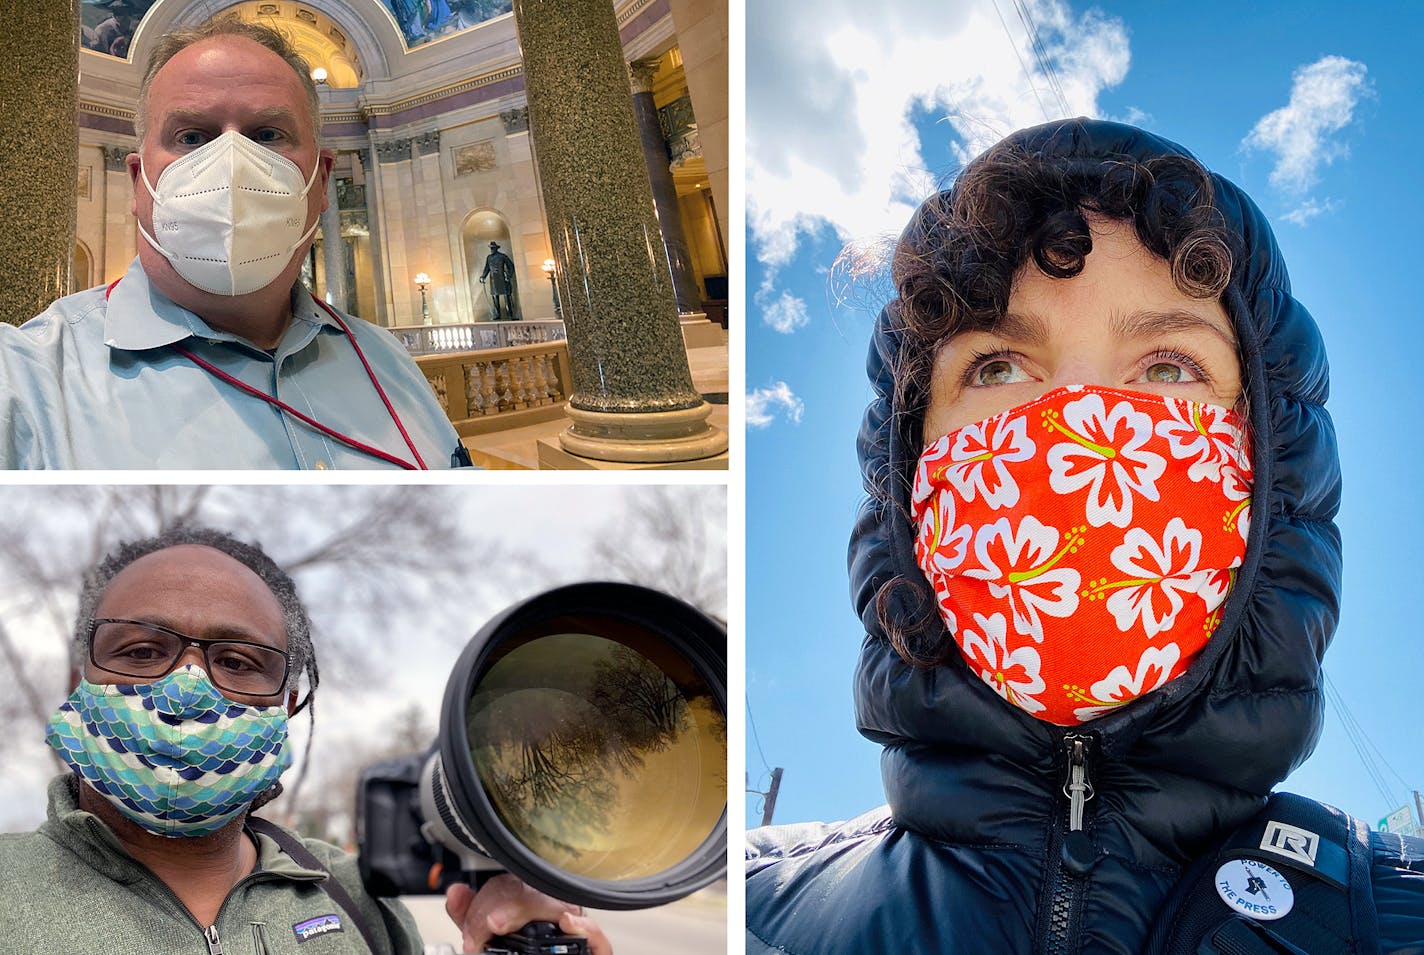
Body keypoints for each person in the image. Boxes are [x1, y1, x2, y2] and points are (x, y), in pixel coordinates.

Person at [745, 119, 1424, 952]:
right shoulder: (743, 906)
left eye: (1170, 367)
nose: (1078, 426)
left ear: (1272, 462)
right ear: (908, 472)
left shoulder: (1399, 912)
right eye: (997, 367)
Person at [0, 526, 611, 955]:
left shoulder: (355, 898)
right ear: (85, 675)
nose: (186, 688)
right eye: (140, 650)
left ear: (286, 704)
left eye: (237, 661)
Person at [0, 17, 469, 469]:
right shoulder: (29, 383)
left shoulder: (389, 362)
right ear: (139, 184)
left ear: (322, 182)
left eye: (268, 135)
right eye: (190, 137)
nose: (231, 164)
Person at [479, 242, 519, 321]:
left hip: (502, 278)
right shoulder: (489, 258)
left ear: (496, 248)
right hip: (494, 279)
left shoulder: (502, 256)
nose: (492, 249)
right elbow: (487, 268)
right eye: (491, 248)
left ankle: (509, 314)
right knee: (495, 297)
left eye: (493, 248)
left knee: (506, 296)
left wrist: (509, 275)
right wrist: (483, 276)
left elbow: (511, 266)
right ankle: (497, 315)